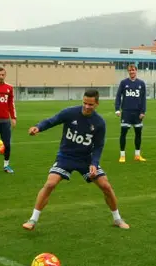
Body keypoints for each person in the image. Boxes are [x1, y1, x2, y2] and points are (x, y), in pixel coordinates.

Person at [22, 89, 130, 230]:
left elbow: (98, 146)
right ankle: (32, 220)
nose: (86, 106)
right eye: (84, 103)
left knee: (106, 186)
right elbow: (52, 121)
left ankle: (117, 219)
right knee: (50, 184)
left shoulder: (99, 123)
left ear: (96, 104)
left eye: (90, 104)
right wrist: (38, 127)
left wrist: (94, 163)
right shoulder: (70, 112)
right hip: (65, 157)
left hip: (86, 159)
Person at [114, 64, 147, 162]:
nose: (132, 72)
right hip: (126, 112)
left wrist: (143, 111)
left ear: (136, 71)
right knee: (123, 133)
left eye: (133, 70)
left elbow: (143, 98)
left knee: (138, 134)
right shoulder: (124, 83)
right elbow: (118, 96)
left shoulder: (141, 83)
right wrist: (117, 109)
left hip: (137, 113)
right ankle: (122, 155)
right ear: (128, 71)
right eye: (130, 70)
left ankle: (137, 155)